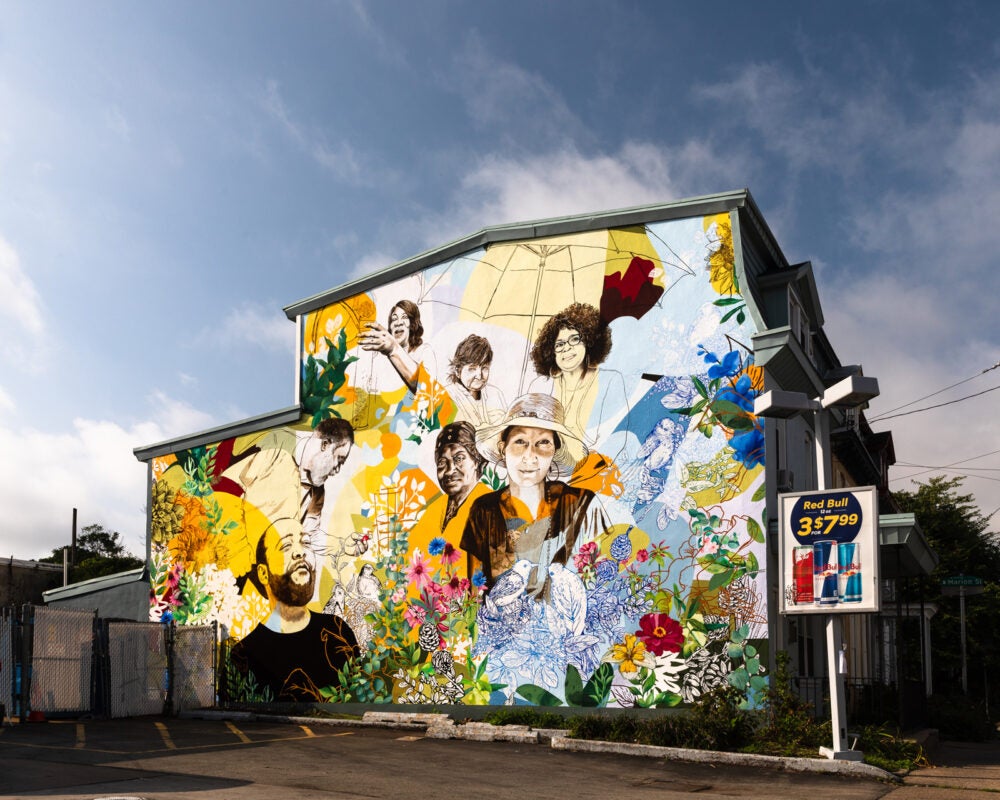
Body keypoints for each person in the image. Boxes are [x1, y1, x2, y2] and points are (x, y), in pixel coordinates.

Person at [460, 394, 610, 598]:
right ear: (503, 448)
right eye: (520, 441)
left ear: (555, 451)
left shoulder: (581, 505)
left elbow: (604, 584)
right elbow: (474, 596)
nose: (530, 455)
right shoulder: (484, 511)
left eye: (543, 442)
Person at [229, 517, 359, 701]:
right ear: (263, 573)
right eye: (285, 546)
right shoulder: (244, 656)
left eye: (306, 543)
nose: (300, 552)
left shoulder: (337, 631)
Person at [528, 303, 628, 462]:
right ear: (551, 352)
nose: (566, 348)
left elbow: (618, 435)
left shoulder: (610, 380)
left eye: (574, 339)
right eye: (559, 345)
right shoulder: (541, 385)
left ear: (588, 342)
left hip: (595, 466)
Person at [408, 422, 490, 584]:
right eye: (442, 463)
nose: (450, 470)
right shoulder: (434, 509)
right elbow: (412, 559)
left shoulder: (490, 506)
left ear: (476, 461)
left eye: (459, 458)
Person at [357, 299, 437, 394]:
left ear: (412, 324)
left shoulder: (424, 351)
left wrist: (394, 350)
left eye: (404, 317)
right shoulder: (382, 360)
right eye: (394, 319)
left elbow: (428, 389)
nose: (399, 322)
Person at [445, 334, 506, 427]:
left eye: (484, 368)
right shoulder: (446, 397)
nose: (479, 375)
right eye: (472, 368)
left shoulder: (495, 394)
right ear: (458, 371)